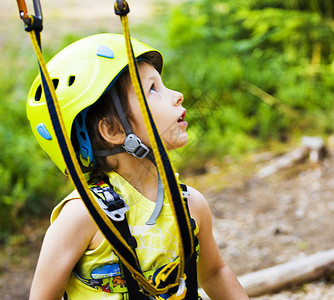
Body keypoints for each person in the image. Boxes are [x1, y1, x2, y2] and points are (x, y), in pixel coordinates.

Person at [27, 33, 249, 300]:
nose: (177, 96)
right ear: (113, 129)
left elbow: (214, 273)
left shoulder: (190, 205)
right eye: (153, 89)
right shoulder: (83, 215)